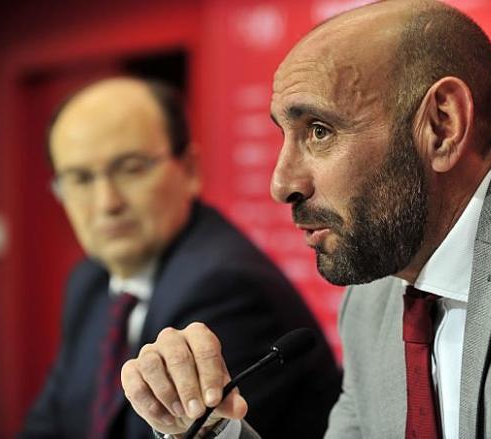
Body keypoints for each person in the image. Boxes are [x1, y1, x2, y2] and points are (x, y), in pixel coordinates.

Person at [121, 1, 491, 438]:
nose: (281, 183)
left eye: (318, 131)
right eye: (283, 136)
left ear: (442, 125)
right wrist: (211, 429)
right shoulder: (374, 295)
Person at [20, 77, 341, 439]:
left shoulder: (226, 286)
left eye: (131, 168)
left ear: (189, 169)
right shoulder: (89, 281)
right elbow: (49, 423)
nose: (106, 203)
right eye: (79, 178)